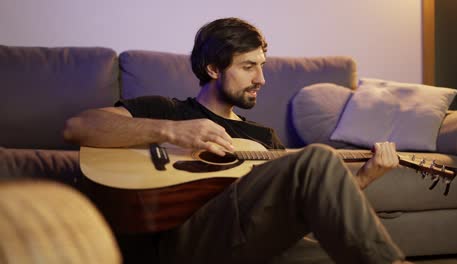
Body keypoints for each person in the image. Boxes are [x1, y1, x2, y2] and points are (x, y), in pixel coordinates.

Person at [64, 17, 411, 264]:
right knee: (317, 156)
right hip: (181, 242)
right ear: (214, 69)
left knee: (333, 254)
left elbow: (303, 209)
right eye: (248, 67)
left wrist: (365, 177)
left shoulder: (263, 138)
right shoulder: (163, 109)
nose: (261, 78)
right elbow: (78, 126)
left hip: (248, 245)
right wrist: (169, 131)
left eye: (262, 65)